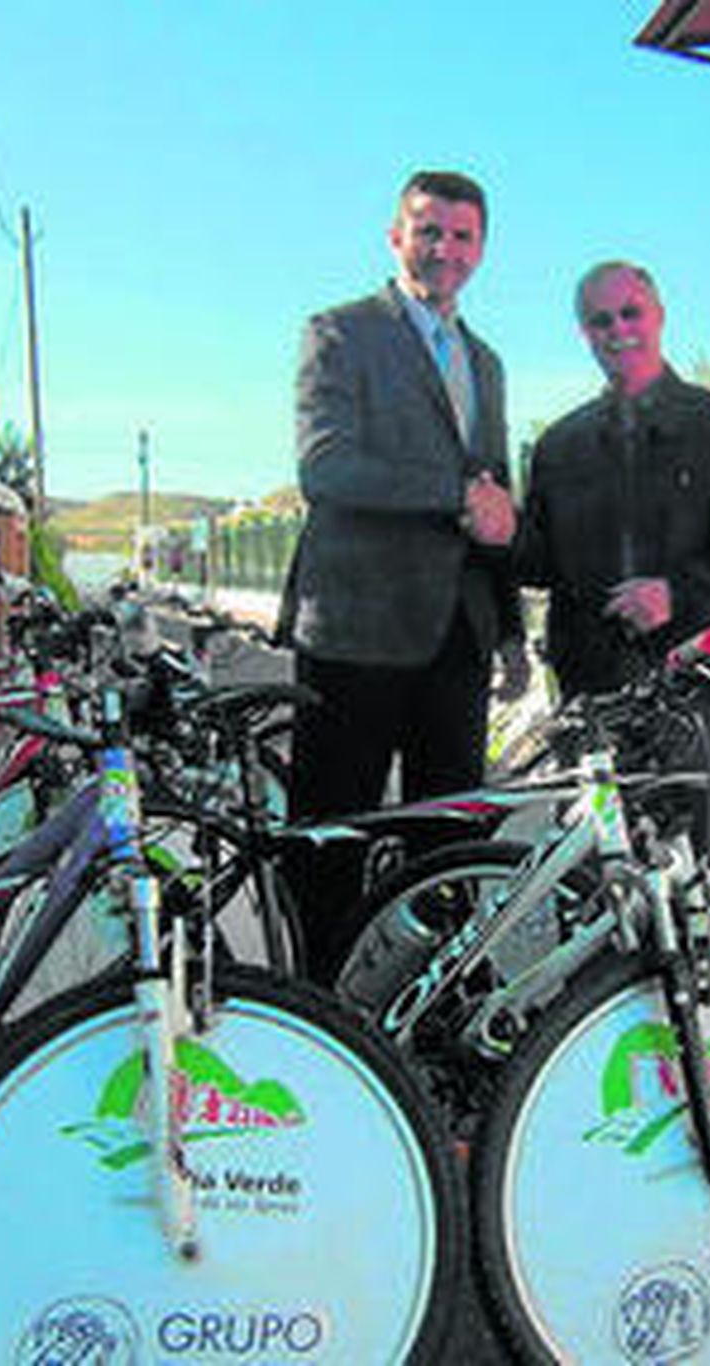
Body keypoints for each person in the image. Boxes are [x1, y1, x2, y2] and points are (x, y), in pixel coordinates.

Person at [278, 168, 526, 977]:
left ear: (481, 249)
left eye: (462, 236)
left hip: (457, 636)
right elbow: (326, 468)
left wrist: (510, 630)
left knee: (451, 840)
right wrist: (455, 496)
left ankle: (439, 998)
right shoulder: (339, 333)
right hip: (354, 630)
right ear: (396, 238)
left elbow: (492, 498)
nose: (444, 249)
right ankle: (312, 1002)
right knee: (330, 839)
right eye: (428, 231)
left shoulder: (486, 363)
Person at [511, 260, 710, 848]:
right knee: (596, 876)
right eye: (600, 320)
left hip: (702, 696)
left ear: (659, 316)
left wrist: (677, 595)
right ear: (584, 333)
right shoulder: (560, 446)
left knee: (709, 875)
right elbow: (540, 564)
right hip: (594, 698)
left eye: (630, 313)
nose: (618, 329)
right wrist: (502, 532)